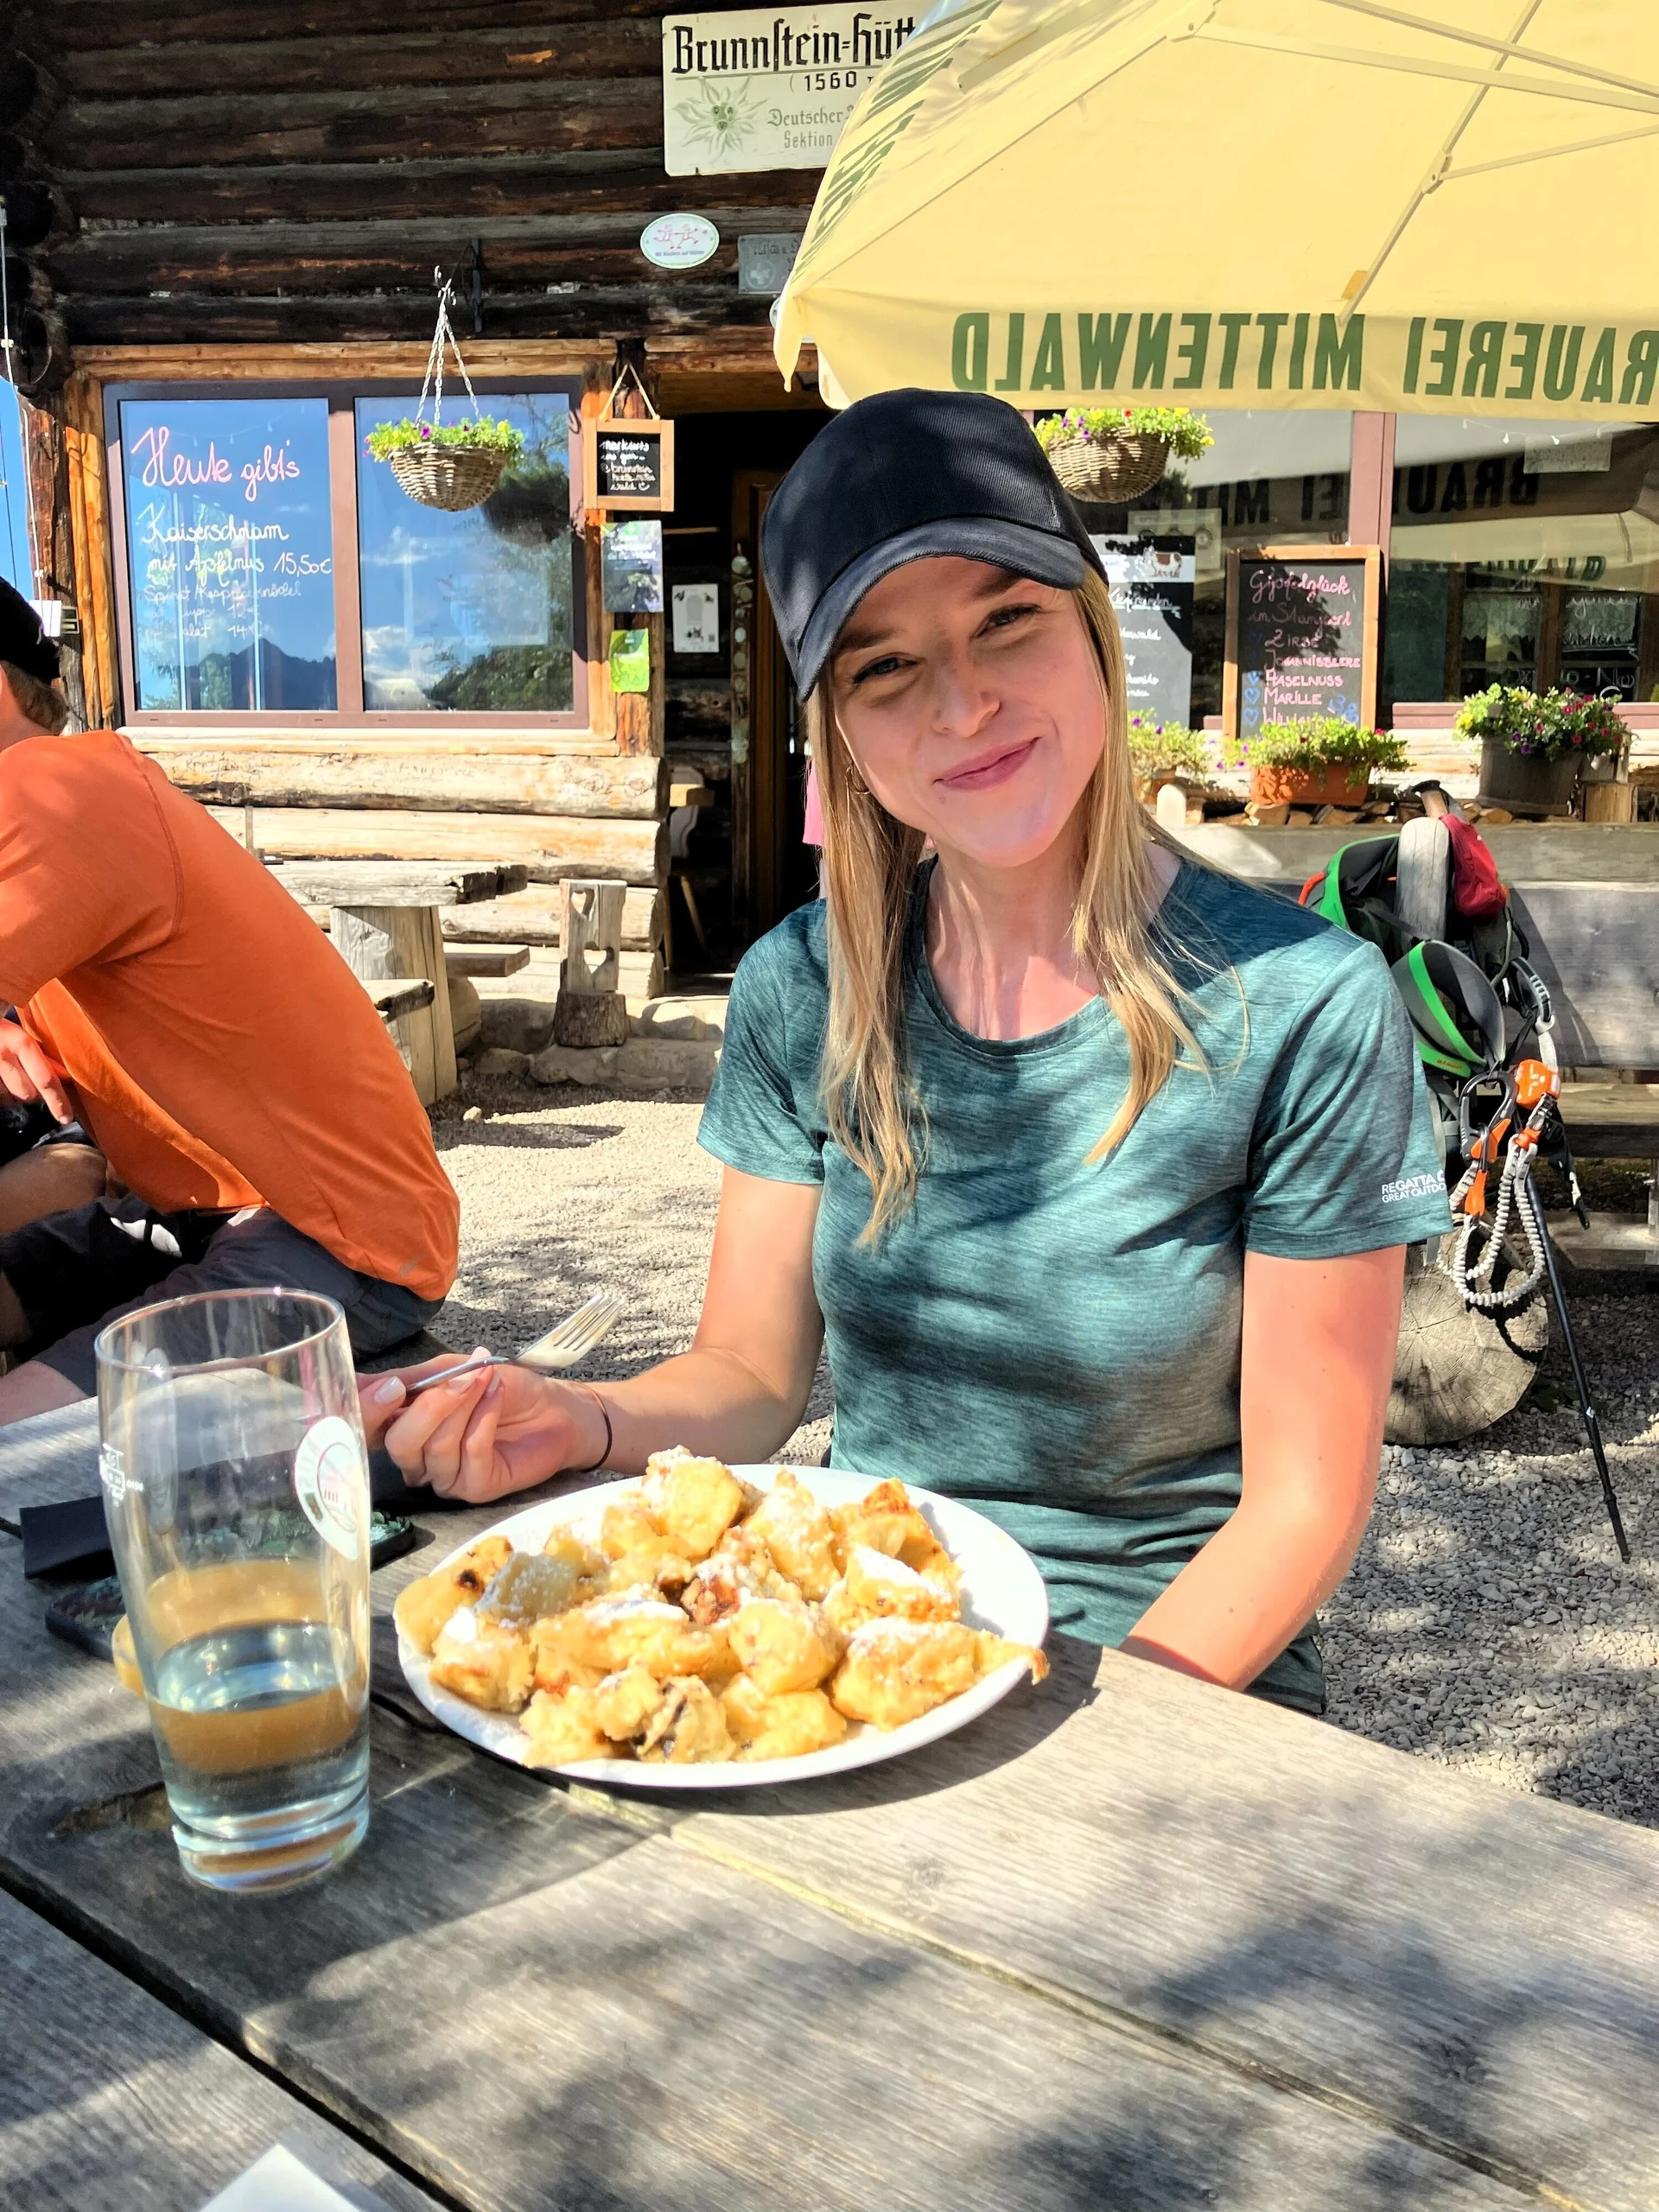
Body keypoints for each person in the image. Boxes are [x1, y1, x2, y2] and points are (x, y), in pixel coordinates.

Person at [362, 391, 1451, 1713]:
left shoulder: (1303, 1004)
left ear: (1096, 633)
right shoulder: (801, 984)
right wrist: (583, 1418)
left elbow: (1303, 1507)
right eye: (884, 668)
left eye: (1008, 620)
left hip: (1177, 1685)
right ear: (843, 730)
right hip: (870, 1650)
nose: (964, 703)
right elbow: (753, 1380)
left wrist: (1089, 1734)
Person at [0, 579, 459, 1424]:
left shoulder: (45, 788)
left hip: (340, 1239)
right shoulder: (75, 794)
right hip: (196, 1210)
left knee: (27, 1432)